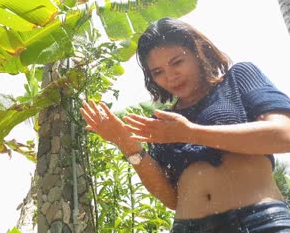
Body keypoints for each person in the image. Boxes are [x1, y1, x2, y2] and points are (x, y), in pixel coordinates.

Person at [80, 17, 290, 232]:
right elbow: (172, 198)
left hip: (259, 221)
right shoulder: (162, 123)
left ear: (198, 52)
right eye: (158, 72)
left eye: (177, 62)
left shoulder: (237, 78)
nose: (171, 76)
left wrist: (190, 133)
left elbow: (284, 135)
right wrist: (126, 144)